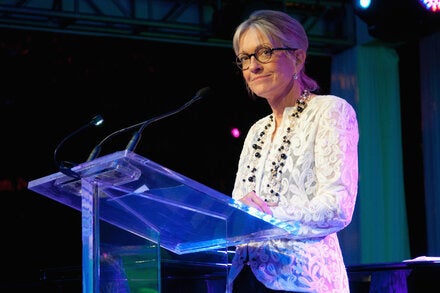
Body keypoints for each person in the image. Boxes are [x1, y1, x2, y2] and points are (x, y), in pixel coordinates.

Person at [227, 10, 359, 293]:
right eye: (245, 58)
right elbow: (241, 207)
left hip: (302, 281)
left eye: (264, 52)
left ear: (298, 57)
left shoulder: (330, 111)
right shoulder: (256, 131)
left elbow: (337, 208)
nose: (253, 66)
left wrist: (266, 214)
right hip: (244, 280)